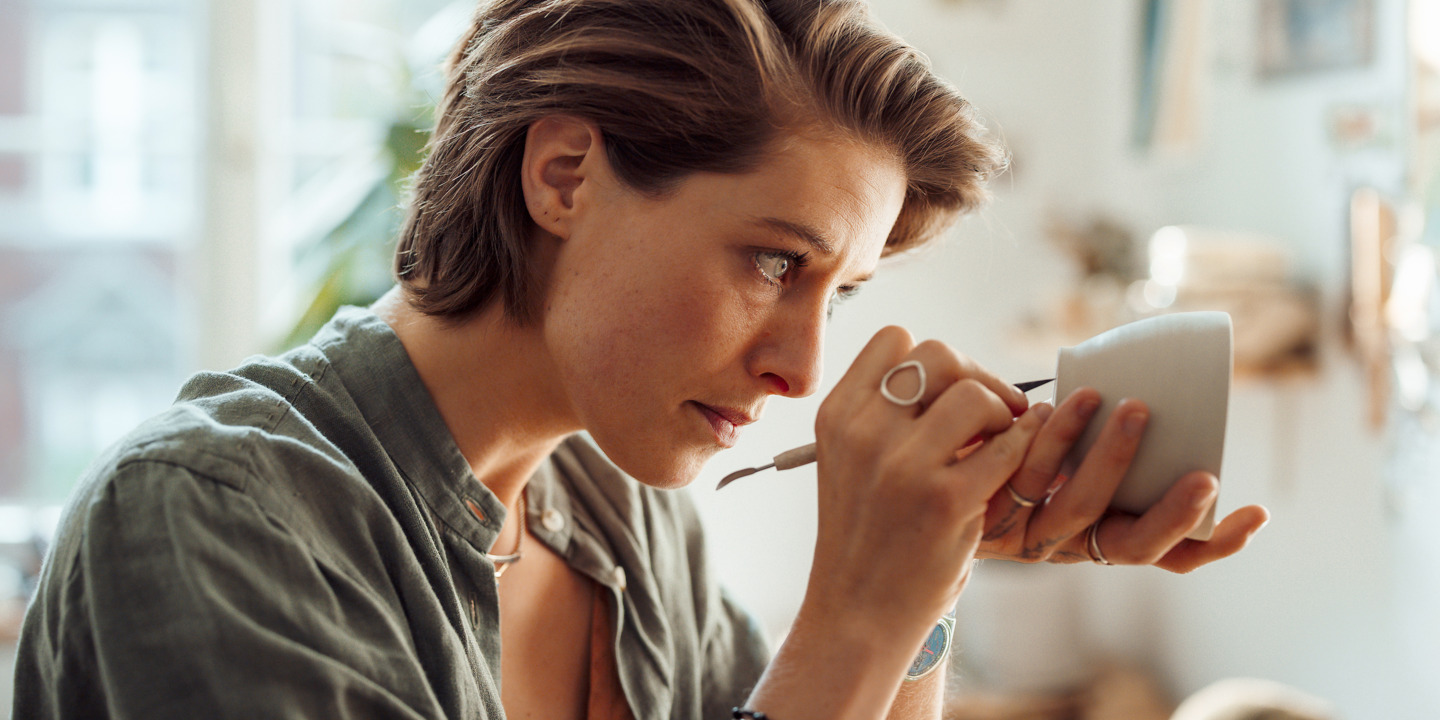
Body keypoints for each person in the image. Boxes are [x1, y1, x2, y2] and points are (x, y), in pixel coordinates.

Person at [12, 0, 1271, 718]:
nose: (800, 369)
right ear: (564, 173)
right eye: (775, 262)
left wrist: (928, 586)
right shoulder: (211, 517)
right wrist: (852, 614)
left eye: (844, 291)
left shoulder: (610, 509)